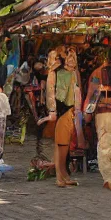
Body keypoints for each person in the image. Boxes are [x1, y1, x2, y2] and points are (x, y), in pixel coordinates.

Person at [83, 53, 111, 191]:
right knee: (106, 145)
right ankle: (108, 178)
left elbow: (91, 95)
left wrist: (87, 113)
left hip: (107, 113)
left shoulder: (99, 73)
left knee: (106, 145)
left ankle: (108, 177)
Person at [46, 47, 82, 188]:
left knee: (65, 144)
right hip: (62, 110)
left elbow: (77, 92)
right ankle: (60, 176)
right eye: (69, 57)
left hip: (71, 110)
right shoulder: (55, 73)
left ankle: (64, 175)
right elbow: (50, 93)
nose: (72, 60)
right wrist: (53, 110)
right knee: (61, 144)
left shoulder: (73, 73)